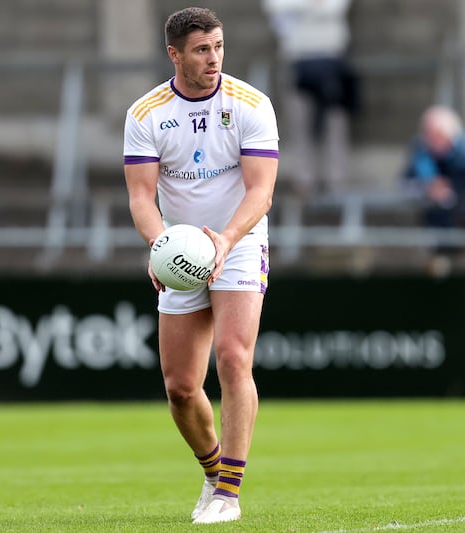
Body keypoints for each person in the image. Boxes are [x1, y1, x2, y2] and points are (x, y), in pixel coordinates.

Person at [122, 7, 279, 525]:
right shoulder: (145, 114)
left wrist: (226, 240)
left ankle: (228, 494)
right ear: (175, 54)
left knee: (233, 358)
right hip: (182, 249)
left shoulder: (251, 104)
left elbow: (261, 191)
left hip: (239, 239)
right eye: (201, 50)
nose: (214, 59)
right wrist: (160, 245)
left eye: (219, 47)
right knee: (180, 387)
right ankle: (212, 473)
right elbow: (141, 198)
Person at [263, 0, 356, 196]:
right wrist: (311, 5)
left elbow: (336, 7)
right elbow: (275, 7)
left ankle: (336, 181)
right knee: (299, 124)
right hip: (296, 61)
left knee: (335, 124)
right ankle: (304, 181)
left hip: (332, 62)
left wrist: (302, 11)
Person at [402, 105, 465, 233]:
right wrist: (427, 189)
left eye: (438, 135)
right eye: (429, 134)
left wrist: (452, 189)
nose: (432, 140)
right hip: (432, 226)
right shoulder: (421, 155)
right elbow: (404, 185)